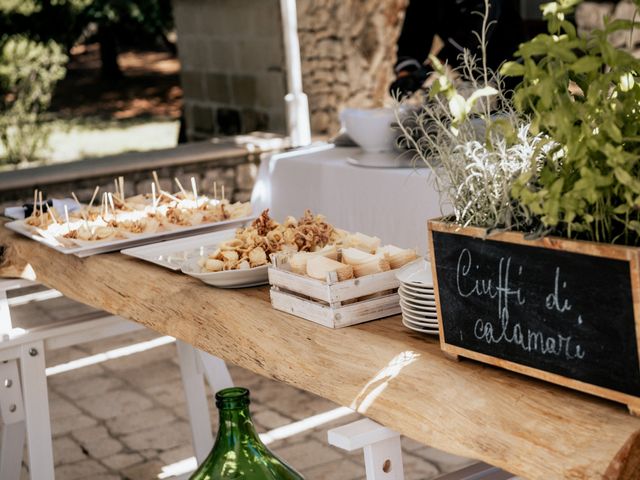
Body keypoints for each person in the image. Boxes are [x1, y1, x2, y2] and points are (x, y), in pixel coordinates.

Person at [390, 0, 525, 98]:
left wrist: (425, 71)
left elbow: (474, 34)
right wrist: (406, 73)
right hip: (472, 75)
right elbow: (414, 30)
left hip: (512, 67)